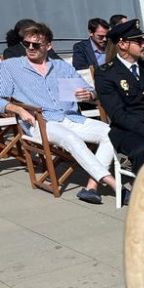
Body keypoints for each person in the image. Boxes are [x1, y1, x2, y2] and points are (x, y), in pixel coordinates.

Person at [1, 22, 119, 204]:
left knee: (112, 133)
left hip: (70, 117)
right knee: (72, 139)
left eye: (36, 44)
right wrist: (18, 109)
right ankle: (115, 185)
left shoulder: (61, 67)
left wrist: (88, 94)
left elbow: (88, 91)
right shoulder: (11, 67)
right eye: (26, 44)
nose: (30, 48)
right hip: (40, 122)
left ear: (49, 46)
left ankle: (91, 186)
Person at [94, 19, 144, 187]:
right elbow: (118, 114)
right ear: (123, 44)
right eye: (139, 41)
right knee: (142, 151)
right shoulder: (106, 74)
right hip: (128, 130)